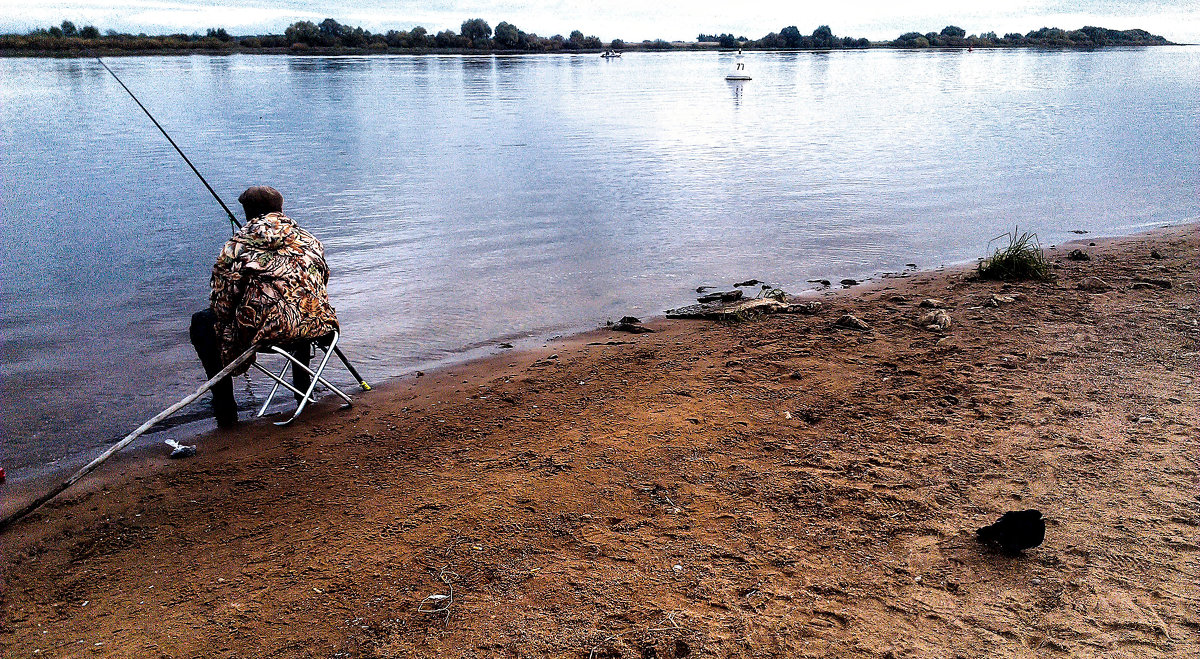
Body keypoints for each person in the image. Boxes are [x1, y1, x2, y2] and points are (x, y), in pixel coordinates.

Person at [189, 186, 339, 426]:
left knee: (202, 323)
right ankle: (303, 390)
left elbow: (222, 304)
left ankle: (225, 407)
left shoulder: (236, 245)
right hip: (322, 324)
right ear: (281, 208)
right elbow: (322, 280)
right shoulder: (311, 239)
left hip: (276, 333)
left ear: (247, 213)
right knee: (296, 302)